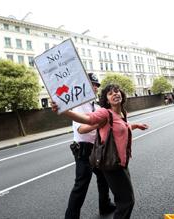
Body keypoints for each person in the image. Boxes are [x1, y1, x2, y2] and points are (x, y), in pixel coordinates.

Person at [52, 84, 148, 219]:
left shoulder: (120, 113)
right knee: (125, 201)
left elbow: (121, 127)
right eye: (110, 93)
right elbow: (86, 120)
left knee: (122, 197)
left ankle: (105, 205)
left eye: (117, 91)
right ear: (107, 100)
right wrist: (64, 110)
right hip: (107, 160)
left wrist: (136, 125)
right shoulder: (103, 112)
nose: (115, 94)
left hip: (119, 161)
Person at [65, 73, 115, 219]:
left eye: (96, 85)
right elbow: (81, 129)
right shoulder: (79, 105)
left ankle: (105, 205)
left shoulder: (96, 105)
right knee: (81, 185)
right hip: (84, 149)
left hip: (96, 148)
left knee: (103, 177)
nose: (95, 87)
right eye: (91, 84)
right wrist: (99, 124)